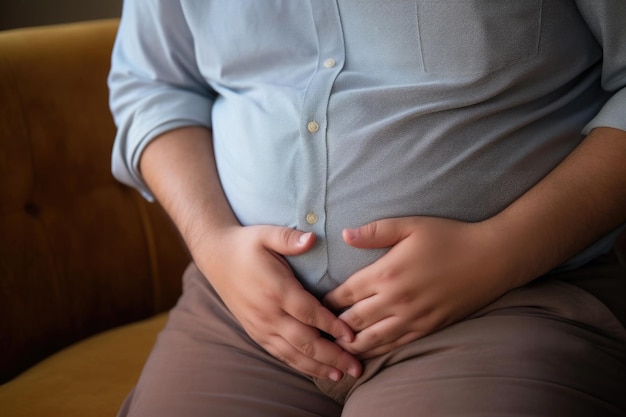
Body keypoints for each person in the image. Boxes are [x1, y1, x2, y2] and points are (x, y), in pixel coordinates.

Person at [108, 1, 626, 416]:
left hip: (514, 301)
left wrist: (504, 250)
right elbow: (153, 84)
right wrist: (213, 244)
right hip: (243, 316)